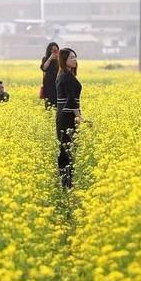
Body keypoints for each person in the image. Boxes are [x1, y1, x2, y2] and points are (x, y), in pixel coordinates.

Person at [55, 48, 88, 188]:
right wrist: (79, 116)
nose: (74, 59)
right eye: (71, 57)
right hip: (67, 116)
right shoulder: (67, 76)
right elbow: (71, 100)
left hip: (63, 115)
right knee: (67, 148)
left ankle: (66, 181)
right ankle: (66, 182)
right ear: (64, 60)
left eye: (75, 57)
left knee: (66, 148)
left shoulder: (63, 74)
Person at [40, 42, 59, 109]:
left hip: (58, 84)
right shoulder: (45, 59)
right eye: (53, 50)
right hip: (48, 85)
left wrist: (58, 58)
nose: (54, 52)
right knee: (49, 103)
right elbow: (44, 68)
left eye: (56, 50)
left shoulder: (60, 59)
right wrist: (50, 58)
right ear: (49, 51)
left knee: (57, 103)